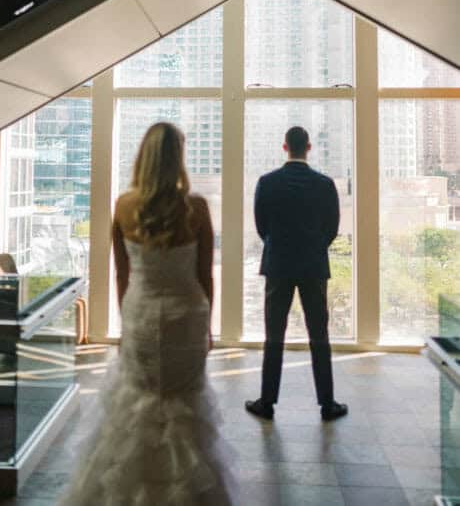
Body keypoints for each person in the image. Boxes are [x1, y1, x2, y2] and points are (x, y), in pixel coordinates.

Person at [61, 122, 238, 506]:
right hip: (186, 316)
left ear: (143, 156)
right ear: (178, 160)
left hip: (141, 314)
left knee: (136, 402)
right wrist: (207, 327)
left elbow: (122, 273)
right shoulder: (197, 208)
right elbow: (205, 274)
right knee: (185, 406)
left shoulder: (124, 206)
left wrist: (127, 322)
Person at [245, 125, 348, 422]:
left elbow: (262, 226)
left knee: (273, 334)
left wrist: (278, 246)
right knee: (319, 334)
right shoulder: (325, 184)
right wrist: (314, 247)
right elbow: (332, 228)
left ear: (284, 147)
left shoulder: (267, 183)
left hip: (278, 264)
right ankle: (327, 404)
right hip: (313, 266)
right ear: (310, 147)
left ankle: (267, 402)